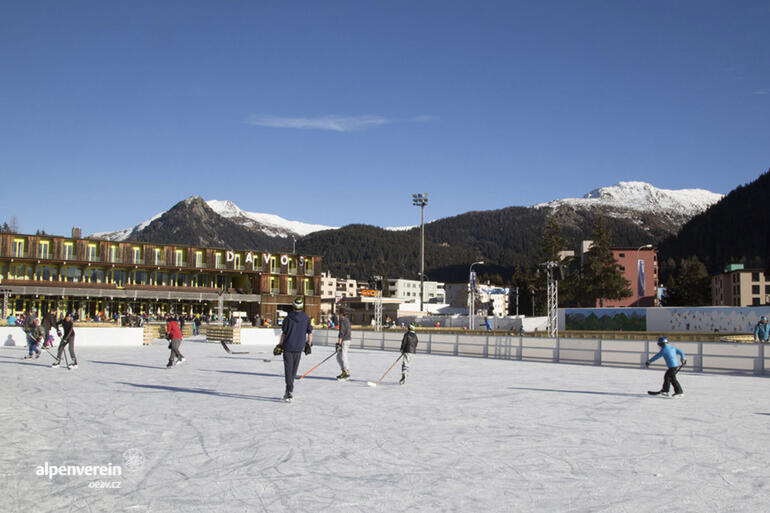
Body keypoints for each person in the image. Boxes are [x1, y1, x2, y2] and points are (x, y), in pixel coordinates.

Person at [274, 297, 313, 402]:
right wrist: (308, 344)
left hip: (288, 346)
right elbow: (310, 332)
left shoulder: (288, 318)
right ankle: (289, 390)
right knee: (293, 370)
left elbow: (284, 333)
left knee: (288, 370)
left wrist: (280, 345)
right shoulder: (306, 318)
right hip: (298, 348)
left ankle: (289, 391)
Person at [335, 309, 352, 381]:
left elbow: (341, 332)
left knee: (343, 355)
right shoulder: (346, 320)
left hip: (345, 340)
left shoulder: (342, 320)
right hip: (347, 340)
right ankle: (344, 371)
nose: (338, 314)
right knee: (339, 356)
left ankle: (346, 371)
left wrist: (339, 343)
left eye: (338, 313)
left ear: (341, 314)